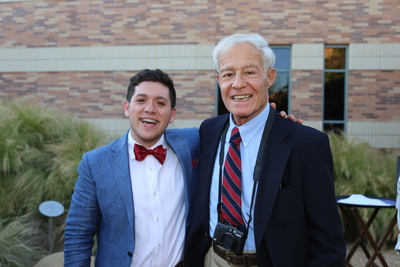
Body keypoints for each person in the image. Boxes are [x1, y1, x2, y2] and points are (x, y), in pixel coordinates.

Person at [184, 33, 346, 267]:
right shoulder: (208, 131)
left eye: (249, 72)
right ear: (219, 80)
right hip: (212, 258)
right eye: (229, 74)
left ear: (270, 77)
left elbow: (327, 242)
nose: (238, 83)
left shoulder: (307, 145)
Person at [64, 69, 201, 266]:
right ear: (127, 108)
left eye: (160, 103)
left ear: (172, 114)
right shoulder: (95, 164)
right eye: (141, 100)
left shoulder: (192, 143)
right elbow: (78, 234)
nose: (150, 109)